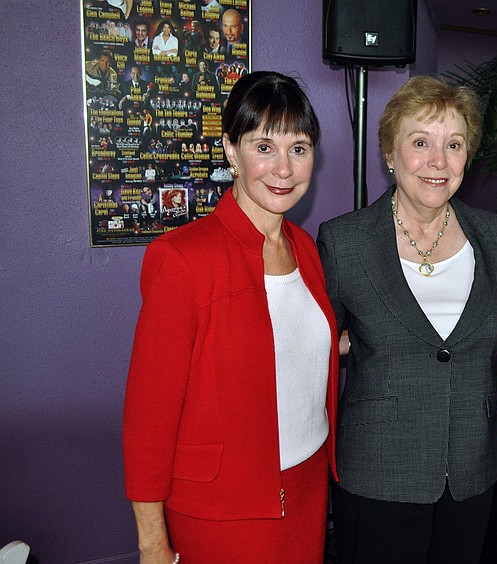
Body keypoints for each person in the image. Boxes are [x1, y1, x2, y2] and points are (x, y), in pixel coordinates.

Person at [123, 71, 339, 562]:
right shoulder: (182, 258)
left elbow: (287, 341)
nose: (283, 168)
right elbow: (148, 419)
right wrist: (153, 543)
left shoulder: (305, 248)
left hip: (307, 488)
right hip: (223, 508)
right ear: (230, 150)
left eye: (299, 149)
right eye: (264, 147)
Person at [317, 75, 497, 564]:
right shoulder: (345, 242)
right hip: (378, 470)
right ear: (390, 153)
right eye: (421, 142)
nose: (438, 161)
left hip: (472, 469)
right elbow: (314, 344)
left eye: (454, 145)